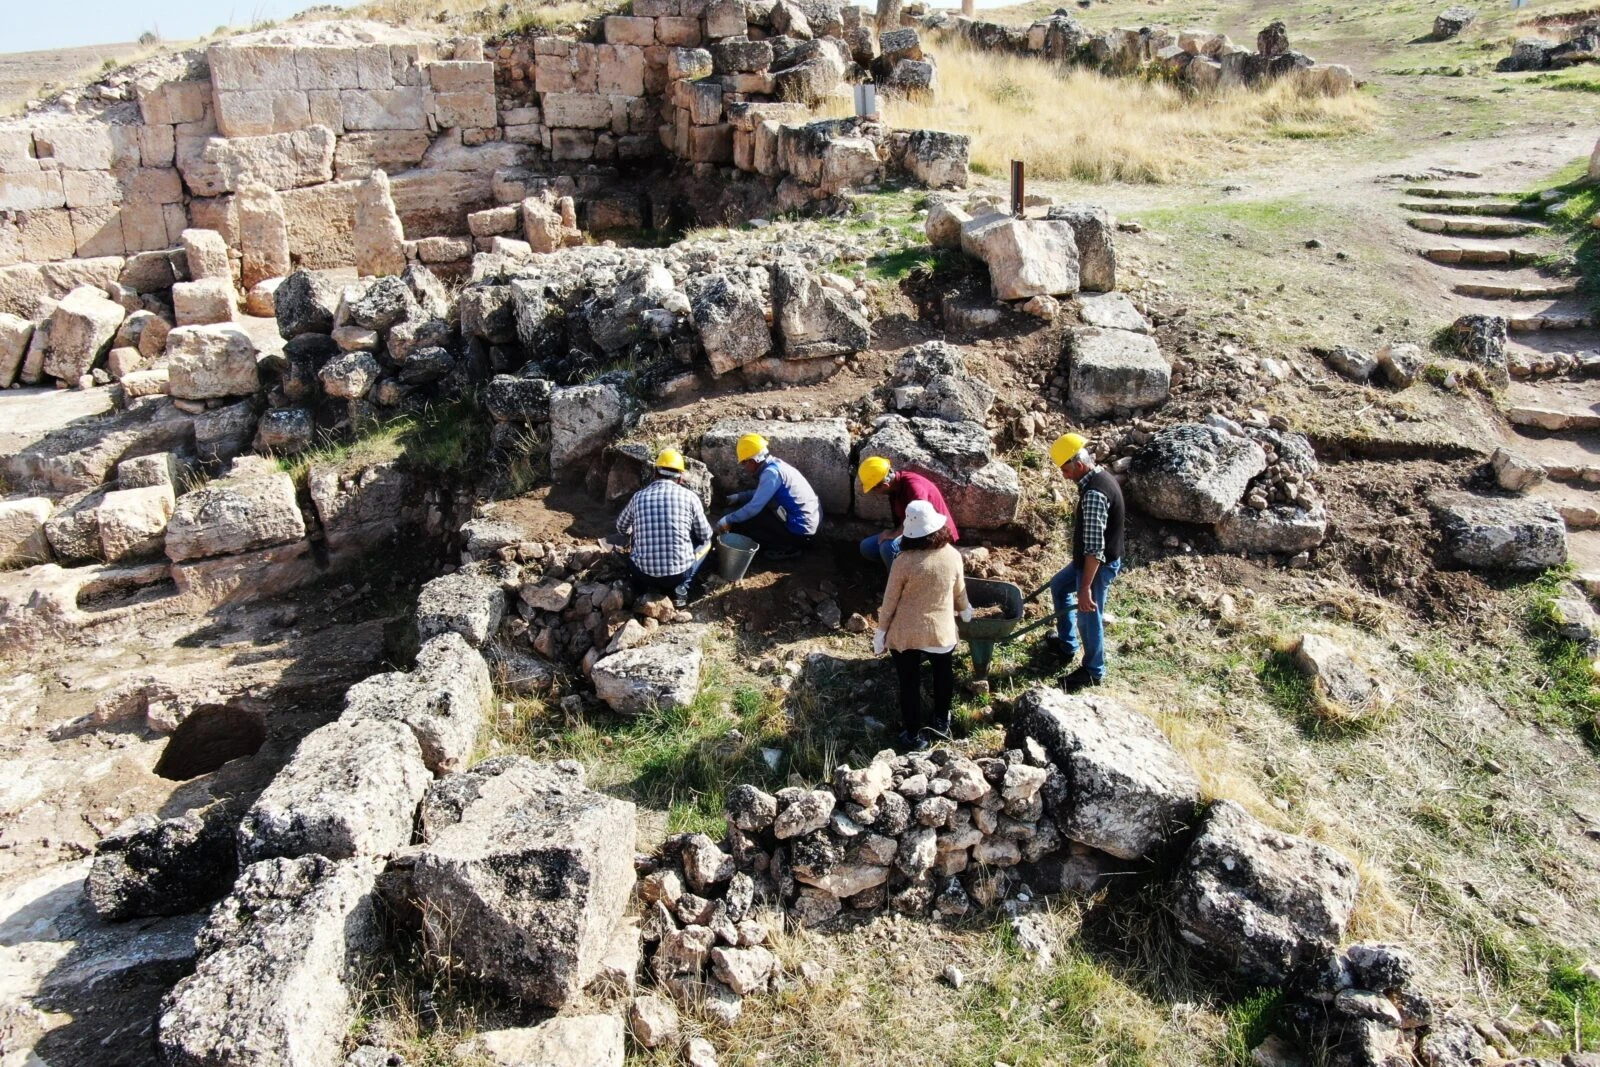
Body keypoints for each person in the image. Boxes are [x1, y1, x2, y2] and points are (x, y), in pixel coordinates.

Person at [873, 500, 974, 750]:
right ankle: (941, 720)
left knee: (909, 682)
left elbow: (890, 602)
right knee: (943, 674)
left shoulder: (903, 561)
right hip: (941, 631)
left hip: (905, 633)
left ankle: (913, 735)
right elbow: (959, 591)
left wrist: (881, 632)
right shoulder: (952, 555)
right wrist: (965, 609)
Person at [1043, 432, 1125, 693]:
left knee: (1088, 616)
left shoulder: (1094, 495)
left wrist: (1085, 587)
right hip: (1088, 562)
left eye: (1066, 470)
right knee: (1058, 586)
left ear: (1078, 464)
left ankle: (1093, 670)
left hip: (1096, 567)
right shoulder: (1099, 477)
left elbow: (1094, 549)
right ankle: (1067, 645)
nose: (1065, 476)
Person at [615, 448, 713, 608]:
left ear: (655, 473)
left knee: (634, 540)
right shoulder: (690, 497)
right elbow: (705, 534)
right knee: (707, 543)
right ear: (680, 477)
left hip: (643, 573)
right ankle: (683, 588)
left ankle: (642, 589)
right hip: (678, 575)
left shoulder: (638, 497)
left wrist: (634, 531)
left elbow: (620, 527)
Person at [715, 433, 821, 561]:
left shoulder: (771, 473)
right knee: (754, 514)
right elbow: (763, 492)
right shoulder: (776, 465)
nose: (744, 467)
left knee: (749, 525)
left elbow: (753, 508)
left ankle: (788, 548)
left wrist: (727, 520)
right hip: (808, 526)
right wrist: (739, 497)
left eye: (744, 462)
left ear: (753, 460)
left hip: (799, 533)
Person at [856, 456, 959, 570]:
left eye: (873, 489)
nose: (873, 492)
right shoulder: (895, 488)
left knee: (888, 547)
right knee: (867, 547)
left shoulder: (914, 486)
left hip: (932, 537)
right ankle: (903, 569)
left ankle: (902, 583)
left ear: (885, 485)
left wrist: (892, 535)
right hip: (913, 534)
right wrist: (892, 533)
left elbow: (920, 519)